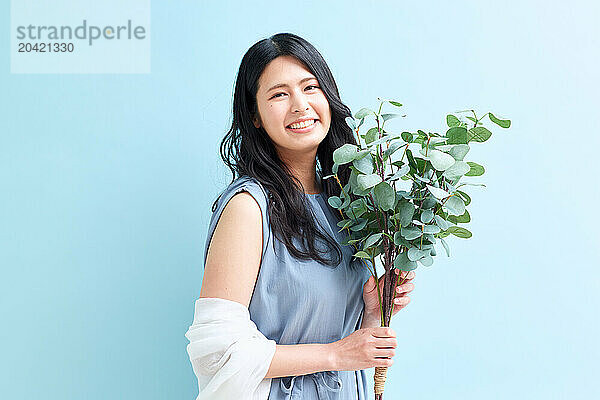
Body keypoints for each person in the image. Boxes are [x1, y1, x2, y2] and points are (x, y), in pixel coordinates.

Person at [188, 33, 415, 400]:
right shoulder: (249, 207)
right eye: (279, 94)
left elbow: (343, 343)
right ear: (255, 117)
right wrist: (335, 355)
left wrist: (374, 312)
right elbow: (217, 351)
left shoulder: (347, 204)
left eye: (310, 87)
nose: (300, 105)